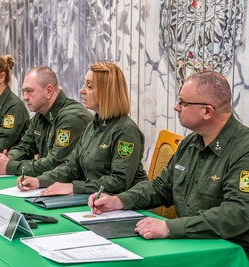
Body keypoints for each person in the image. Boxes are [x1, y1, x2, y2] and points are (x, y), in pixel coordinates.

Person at [88, 71, 249, 256]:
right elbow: (160, 188)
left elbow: (238, 213)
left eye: (183, 103)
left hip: (228, 252)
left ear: (207, 111)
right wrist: (119, 200)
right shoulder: (190, 143)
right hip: (189, 245)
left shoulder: (243, 150)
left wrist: (170, 227)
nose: (176, 107)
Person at [16, 62, 147, 195]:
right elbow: (71, 167)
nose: (82, 90)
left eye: (89, 86)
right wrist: (39, 181)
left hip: (129, 209)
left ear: (106, 92)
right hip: (96, 202)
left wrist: (74, 187)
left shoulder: (126, 131)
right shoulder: (92, 127)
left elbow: (119, 181)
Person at [0, 65, 93, 176]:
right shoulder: (41, 114)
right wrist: (3, 159)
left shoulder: (71, 117)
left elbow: (54, 163)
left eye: (29, 91)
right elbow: (25, 146)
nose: (25, 97)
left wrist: (9, 166)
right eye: (24, 91)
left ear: (49, 91)